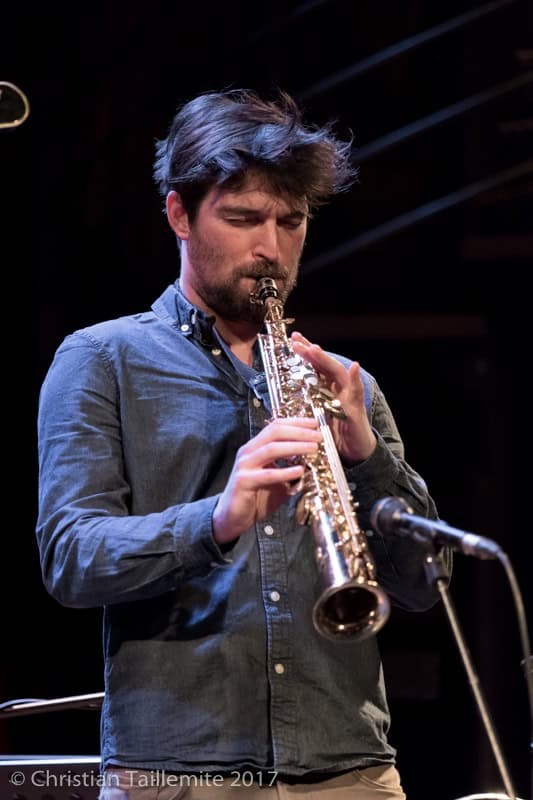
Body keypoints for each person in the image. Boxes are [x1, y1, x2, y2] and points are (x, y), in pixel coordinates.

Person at [36, 88, 447, 800]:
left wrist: (368, 461)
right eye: (243, 219)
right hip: (178, 773)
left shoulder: (343, 382)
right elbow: (71, 557)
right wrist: (216, 519)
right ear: (178, 215)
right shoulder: (102, 360)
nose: (271, 249)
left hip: (350, 769)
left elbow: (422, 585)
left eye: (291, 221)